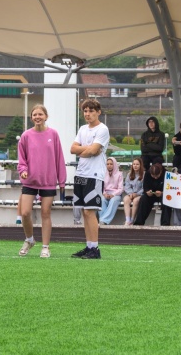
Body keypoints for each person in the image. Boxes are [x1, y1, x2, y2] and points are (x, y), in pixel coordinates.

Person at [17, 104, 67, 258]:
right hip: (30, 181)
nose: (37, 117)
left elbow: (59, 158)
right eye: (35, 114)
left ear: (46, 116)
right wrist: (23, 171)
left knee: (46, 213)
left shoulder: (54, 134)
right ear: (31, 117)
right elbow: (21, 158)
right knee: (25, 213)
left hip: (48, 181)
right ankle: (29, 239)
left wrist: (62, 181)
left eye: (40, 114)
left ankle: (45, 247)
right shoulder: (26, 135)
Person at [70, 99, 110, 259]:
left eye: (91, 111)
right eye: (85, 111)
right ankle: (89, 246)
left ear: (98, 112)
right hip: (81, 173)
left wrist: (84, 150)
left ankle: (95, 248)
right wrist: (88, 149)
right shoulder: (82, 129)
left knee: (89, 211)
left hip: (94, 175)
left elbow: (93, 151)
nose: (87, 114)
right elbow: (73, 149)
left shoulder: (103, 129)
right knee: (84, 212)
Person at [98, 157, 123, 225]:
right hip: (105, 193)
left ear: (114, 164)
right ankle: (103, 221)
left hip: (116, 194)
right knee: (101, 200)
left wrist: (113, 194)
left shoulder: (119, 174)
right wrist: (104, 194)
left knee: (113, 200)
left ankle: (103, 220)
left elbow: (120, 188)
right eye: (108, 164)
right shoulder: (103, 174)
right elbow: (101, 187)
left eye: (111, 164)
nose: (109, 165)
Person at [123, 157, 144, 226]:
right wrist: (130, 193)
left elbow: (144, 187)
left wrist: (137, 194)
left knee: (135, 201)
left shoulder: (144, 174)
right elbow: (127, 186)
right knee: (126, 199)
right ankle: (127, 220)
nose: (135, 166)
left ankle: (132, 220)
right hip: (131, 193)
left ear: (140, 165)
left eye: (137, 164)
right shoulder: (129, 174)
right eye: (134, 164)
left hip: (140, 194)